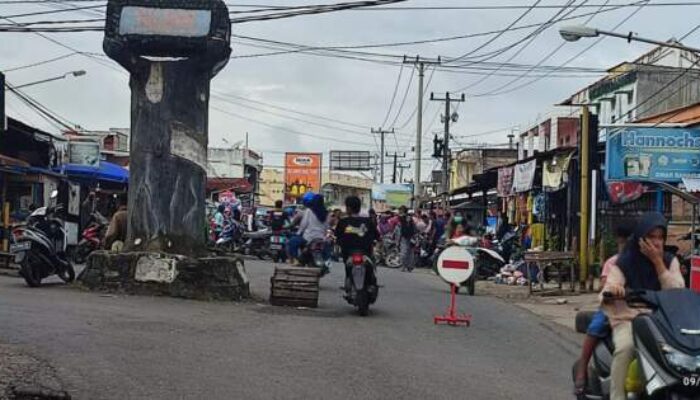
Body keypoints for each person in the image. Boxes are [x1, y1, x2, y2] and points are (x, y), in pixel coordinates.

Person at [601, 212, 685, 400]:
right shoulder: (626, 261)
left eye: (660, 237)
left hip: (664, 323)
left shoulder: (670, 261)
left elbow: (677, 291)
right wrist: (615, 288)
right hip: (630, 320)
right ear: (640, 239)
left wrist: (658, 263)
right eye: (651, 237)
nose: (656, 243)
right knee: (625, 348)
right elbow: (608, 287)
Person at [574, 225, 632, 395]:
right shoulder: (612, 263)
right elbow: (606, 285)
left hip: (638, 308)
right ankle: (582, 367)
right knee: (596, 326)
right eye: (624, 243)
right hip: (613, 307)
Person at [335, 196, 378, 287]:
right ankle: (371, 283)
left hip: (348, 253)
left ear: (349, 208)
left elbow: (337, 236)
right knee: (371, 267)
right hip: (365, 252)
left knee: (348, 266)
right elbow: (377, 236)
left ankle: (348, 279)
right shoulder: (368, 221)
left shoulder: (343, 222)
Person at [287, 193, 328, 266]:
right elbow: (326, 227)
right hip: (321, 238)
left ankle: (295, 260)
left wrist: (298, 233)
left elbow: (303, 225)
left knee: (292, 241)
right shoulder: (326, 213)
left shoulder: (309, 211)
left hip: (308, 237)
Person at [397, 206, 416, 272]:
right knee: (407, 252)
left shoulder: (407, 218)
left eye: (400, 210)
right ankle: (406, 266)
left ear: (403, 211)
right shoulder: (402, 218)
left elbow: (411, 227)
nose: (399, 212)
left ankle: (407, 266)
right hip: (405, 237)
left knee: (406, 252)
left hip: (409, 237)